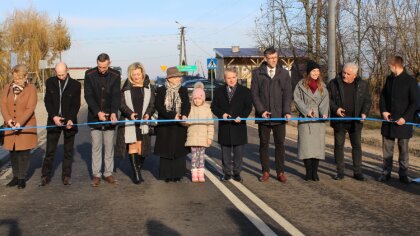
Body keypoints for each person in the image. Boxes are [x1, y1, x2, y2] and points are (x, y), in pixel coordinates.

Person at [251, 47, 293, 183]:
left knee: (280, 145)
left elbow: (287, 95)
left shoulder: (284, 74)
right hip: (263, 117)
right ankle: (265, 172)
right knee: (264, 145)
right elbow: (254, 94)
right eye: (271, 58)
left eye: (275, 58)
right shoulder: (257, 73)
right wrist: (261, 110)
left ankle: (280, 172)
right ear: (265, 59)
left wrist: (286, 111)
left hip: (279, 116)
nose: (274, 60)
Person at [378, 56, 419, 184]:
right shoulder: (389, 79)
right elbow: (383, 97)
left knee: (404, 150)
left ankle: (403, 174)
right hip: (388, 122)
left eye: (390, 66)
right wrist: (384, 111)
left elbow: (415, 103)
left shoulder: (410, 81)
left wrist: (405, 118)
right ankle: (386, 173)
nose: (389, 68)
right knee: (387, 150)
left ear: (396, 66)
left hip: (403, 123)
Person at [327, 62, 371, 181]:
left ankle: (357, 172)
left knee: (356, 146)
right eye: (343, 72)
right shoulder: (333, 83)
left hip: (355, 122)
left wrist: (364, 113)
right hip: (339, 121)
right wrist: (336, 109)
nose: (344, 75)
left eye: (348, 74)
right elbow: (327, 99)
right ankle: (340, 171)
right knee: (339, 146)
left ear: (355, 75)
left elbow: (367, 101)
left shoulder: (363, 85)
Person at [40, 62, 81, 186]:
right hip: (54, 120)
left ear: (67, 70)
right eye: (58, 75)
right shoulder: (50, 82)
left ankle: (66, 176)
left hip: (69, 121)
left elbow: (76, 104)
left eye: (62, 74)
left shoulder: (75, 85)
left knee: (68, 151)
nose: (61, 77)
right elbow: (47, 101)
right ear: (55, 72)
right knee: (50, 151)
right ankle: (45, 176)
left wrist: (70, 119)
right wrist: (54, 116)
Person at [84, 53, 121, 187]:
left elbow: (117, 95)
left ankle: (108, 173)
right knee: (96, 147)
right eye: (100, 67)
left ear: (109, 63)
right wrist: (97, 112)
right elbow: (88, 95)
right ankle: (96, 174)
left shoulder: (116, 75)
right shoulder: (89, 74)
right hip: (95, 117)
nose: (102, 69)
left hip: (110, 117)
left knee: (109, 146)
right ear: (97, 63)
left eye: (104, 67)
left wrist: (113, 112)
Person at [116, 62, 155, 184]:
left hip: (144, 122)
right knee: (133, 146)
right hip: (130, 122)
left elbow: (152, 105)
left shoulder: (149, 87)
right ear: (130, 75)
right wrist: (130, 114)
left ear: (142, 73)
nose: (136, 77)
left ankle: (138, 167)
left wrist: (148, 113)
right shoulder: (125, 88)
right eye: (134, 75)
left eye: (138, 74)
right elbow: (121, 104)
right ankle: (136, 174)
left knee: (142, 149)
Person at [211, 68, 252, 182]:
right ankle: (227, 173)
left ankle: (237, 173)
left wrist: (242, 116)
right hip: (225, 126)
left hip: (239, 126)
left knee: (238, 153)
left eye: (233, 77)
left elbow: (248, 107)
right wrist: (221, 114)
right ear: (225, 79)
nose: (231, 80)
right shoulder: (219, 91)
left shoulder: (245, 91)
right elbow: (214, 107)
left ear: (237, 77)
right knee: (226, 153)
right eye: (228, 78)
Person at [1, 64, 37, 189]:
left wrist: (19, 123)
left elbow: (30, 108)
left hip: (25, 125)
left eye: (19, 78)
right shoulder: (7, 88)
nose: (16, 80)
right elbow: (3, 105)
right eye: (15, 77)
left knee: (23, 153)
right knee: (13, 151)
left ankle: (22, 178)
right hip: (10, 125)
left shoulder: (31, 88)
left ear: (25, 76)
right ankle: (15, 177)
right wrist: (9, 120)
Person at [293, 60, 329, 181]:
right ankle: (308, 172)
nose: (316, 73)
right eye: (313, 71)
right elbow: (297, 100)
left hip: (318, 120)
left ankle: (315, 172)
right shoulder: (300, 85)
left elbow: (325, 101)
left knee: (317, 147)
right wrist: (306, 110)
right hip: (305, 118)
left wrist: (324, 113)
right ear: (309, 72)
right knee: (306, 147)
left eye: (318, 71)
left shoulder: (322, 86)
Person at [154, 67, 191, 182]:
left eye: (179, 77)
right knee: (166, 151)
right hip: (166, 125)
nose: (179, 79)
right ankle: (167, 175)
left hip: (179, 125)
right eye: (176, 77)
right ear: (169, 79)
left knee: (179, 150)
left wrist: (184, 115)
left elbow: (187, 104)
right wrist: (172, 115)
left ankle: (178, 174)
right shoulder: (161, 90)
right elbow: (159, 106)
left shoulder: (183, 90)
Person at [184, 82, 214, 183]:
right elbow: (186, 122)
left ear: (203, 99)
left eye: (199, 98)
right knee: (193, 157)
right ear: (192, 99)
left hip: (203, 137)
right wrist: (186, 121)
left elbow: (210, 124)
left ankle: (201, 173)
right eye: (195, 98)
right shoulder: (190, 108)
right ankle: (194, 173)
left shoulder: (207, 109)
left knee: (201, 157)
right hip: (192, 136)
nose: (197, 100)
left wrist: (209, 137)